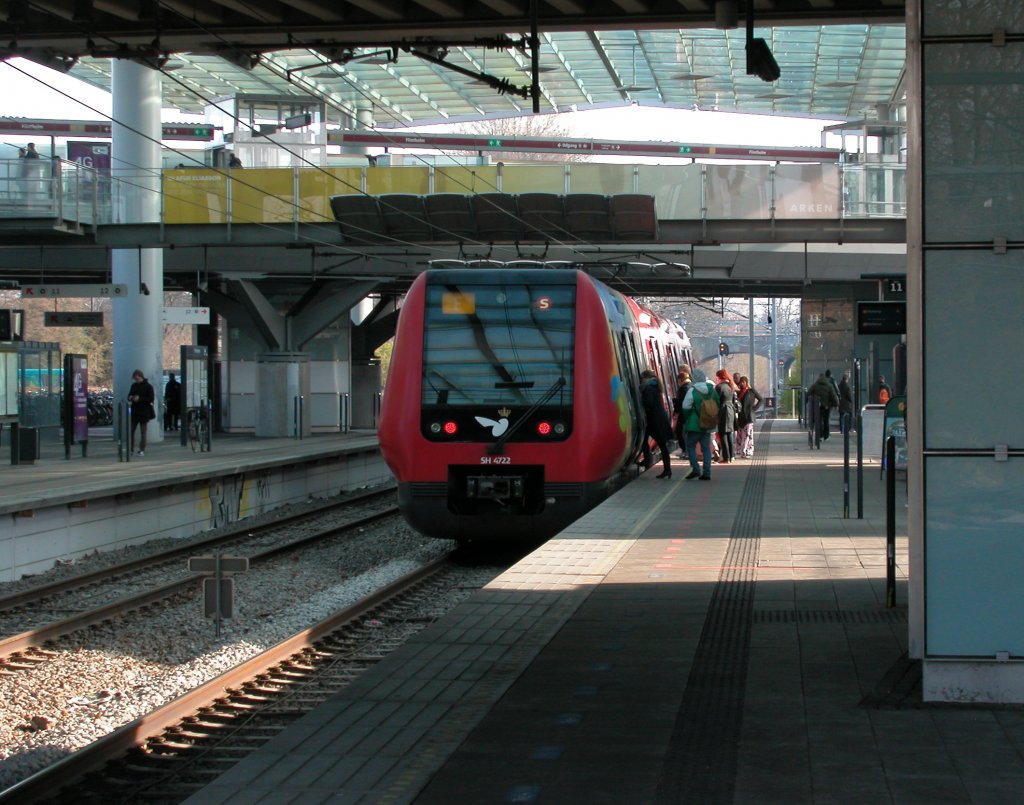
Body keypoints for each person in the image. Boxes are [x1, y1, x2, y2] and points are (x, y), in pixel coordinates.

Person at [681, 368, 719, 480]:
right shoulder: (712, 389)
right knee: (706, 448)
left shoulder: (692, 390)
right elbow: (717, 403)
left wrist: (689, 417)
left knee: (691, 446)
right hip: (708, 424)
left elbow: (685, 406)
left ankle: (696, 469)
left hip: (694, 424)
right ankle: (707, 472)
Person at [639, 369, 673, 479]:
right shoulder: (654, 386)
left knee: (658, 444)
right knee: (656, 444)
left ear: (645, 378)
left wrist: (640, 400)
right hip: (658, 420)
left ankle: (663, 468)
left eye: (642, 378)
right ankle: (665, 469)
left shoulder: (648, 388)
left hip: (655, 421)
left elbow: (648, 402)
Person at [128, 369, 155, 456]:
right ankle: (131, 448)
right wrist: (131, 398)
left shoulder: (148, 386)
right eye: (135, 378)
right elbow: (129, 396)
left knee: (143, 432)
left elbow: (151, 399)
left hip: (144, 411)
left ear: (141, 376)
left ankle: (142, 449)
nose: (136, 380)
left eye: (137, 378)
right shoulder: (134, 386)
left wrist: (140, 399)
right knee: (131, 430)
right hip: (135, 411)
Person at [735, 375, 763, 458]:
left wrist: (754, 409)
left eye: (744, 382)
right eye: (741, 382)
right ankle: (741, 450)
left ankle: (747, 450)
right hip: (741, 416)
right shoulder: (738, 392)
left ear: (746, 382)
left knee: (748, 434)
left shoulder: (751, 391)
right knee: (740, 434)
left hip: (749, 416)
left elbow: (761, 399)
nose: (742, 383)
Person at [714, 368, 737, 463]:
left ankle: (726, 457)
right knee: (729, 433)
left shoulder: (719, 387)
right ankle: (732, 456)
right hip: (731, 410)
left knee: (722, 433)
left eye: (717, 377)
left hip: (723, 410)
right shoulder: (730, 386)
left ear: (720, 377)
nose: (717, 379)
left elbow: (715, 401)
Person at [809, 372, 840, 441]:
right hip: (826, 406)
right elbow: (833, 396)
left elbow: (809, 393)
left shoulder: (815, 385)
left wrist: (809, 400)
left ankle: (819, 435)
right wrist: (836, 404)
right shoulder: (829, 385)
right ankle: (826, 436)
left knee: (819, 421)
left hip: (817, 406)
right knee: (826, 421)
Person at [672, 366, 692, 457]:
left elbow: (681, 402)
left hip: (684, 415)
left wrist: (675, 404)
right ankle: (687, 451)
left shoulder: (684, 388)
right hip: (689, 414)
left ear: (681, 380)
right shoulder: (690, 386)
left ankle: (686, 451)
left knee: (682, 433)